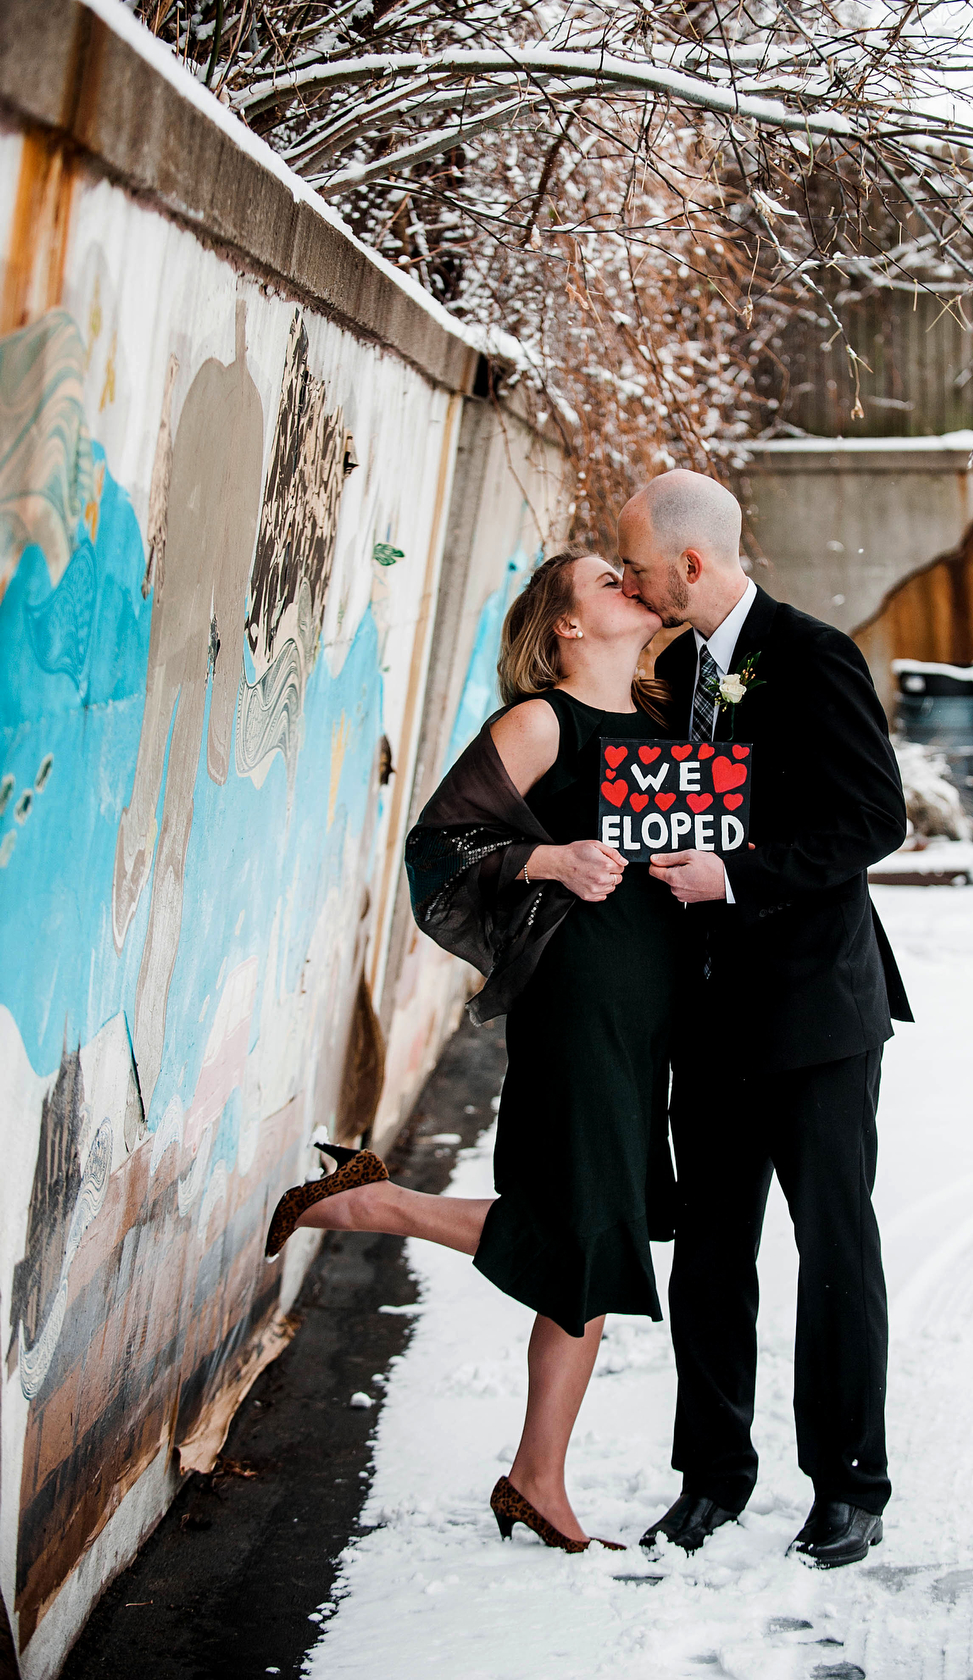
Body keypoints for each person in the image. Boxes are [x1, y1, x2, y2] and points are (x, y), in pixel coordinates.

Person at [263, 552, 681, 1555]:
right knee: (585, 1234)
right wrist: (546, 855)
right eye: (605, 578)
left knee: (594, 1236)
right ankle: (372, 1206)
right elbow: (437, 843)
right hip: (577, 995)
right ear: (567, 626)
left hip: (651, 1006)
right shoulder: (542, 721)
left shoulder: (671, 721)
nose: (628, 581)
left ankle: (537, 1476)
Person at [617, 470, 912, 1570]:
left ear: (693, 563)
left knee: (833, 1244)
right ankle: (713, 1476)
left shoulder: (815, 652)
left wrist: (733, 876)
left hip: (819, 1014)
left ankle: (850, 1484)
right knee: (710, 1253)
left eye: (643, 570)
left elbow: (871, 820)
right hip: (710, 1016)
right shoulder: (680, 672)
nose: (638, 591)